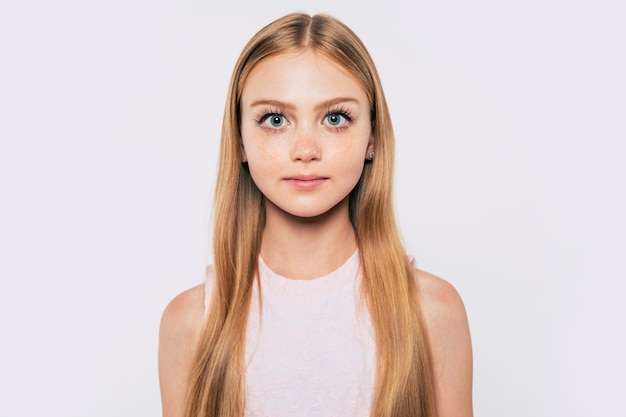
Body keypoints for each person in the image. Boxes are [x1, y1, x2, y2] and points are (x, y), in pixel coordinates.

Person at [158, 12, 473, 417]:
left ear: (372, 138)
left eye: (335, 118)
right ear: (239, 142)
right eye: (275, 120)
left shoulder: (431, 311)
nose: (305, 149)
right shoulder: (192, 323)